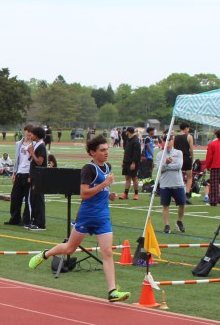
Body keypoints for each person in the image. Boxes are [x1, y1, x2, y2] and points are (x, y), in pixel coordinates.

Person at [28, 136, 130, 303]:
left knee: (107, 252)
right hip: (87, 216)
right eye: (102, 150)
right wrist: (104, 185)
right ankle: (46, 254)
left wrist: (108, 194)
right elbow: (84, 194)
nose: (106, 153)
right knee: (69, 249)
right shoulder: (88, 169)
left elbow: (99, 191)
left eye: (107, 149)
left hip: (103, 216)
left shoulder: (108, 167)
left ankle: (112, 291)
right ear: (93, 152)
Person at [157, 137, 186, 233]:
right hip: (165, 183)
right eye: (165, 140)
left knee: (182, 203)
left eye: (169, 140)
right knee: (165, 205)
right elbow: (159, 169)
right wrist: (165, 163)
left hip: (177, 183)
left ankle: (179, 221)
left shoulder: (178, 153)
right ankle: (167, 225)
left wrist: (166, 166)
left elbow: (179, 166)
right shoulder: (160, 155)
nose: (167, 142)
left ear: (173, 141)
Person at [173, 123, 195, 195]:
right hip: (186, 157)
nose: (188, 130)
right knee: (189, 177)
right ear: (186, 128)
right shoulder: (189, 136)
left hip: (177, 158)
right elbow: (191, 150)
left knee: (177, 177)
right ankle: (187, 193)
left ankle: (175, 194)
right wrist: (192, 159)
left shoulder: (175, 137)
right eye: (188, 128)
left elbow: (173, 149)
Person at [120, 127, 141, 199]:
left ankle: (136, 194)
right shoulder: (127, 140)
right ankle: (125, 194)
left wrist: (133, 163)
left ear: (128, 132)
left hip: (132, 162)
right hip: (126, 161)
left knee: (134, 177)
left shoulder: (135, 141)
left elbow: (137, 153)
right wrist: (123, 161)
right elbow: (126, 152)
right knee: (127, 178)